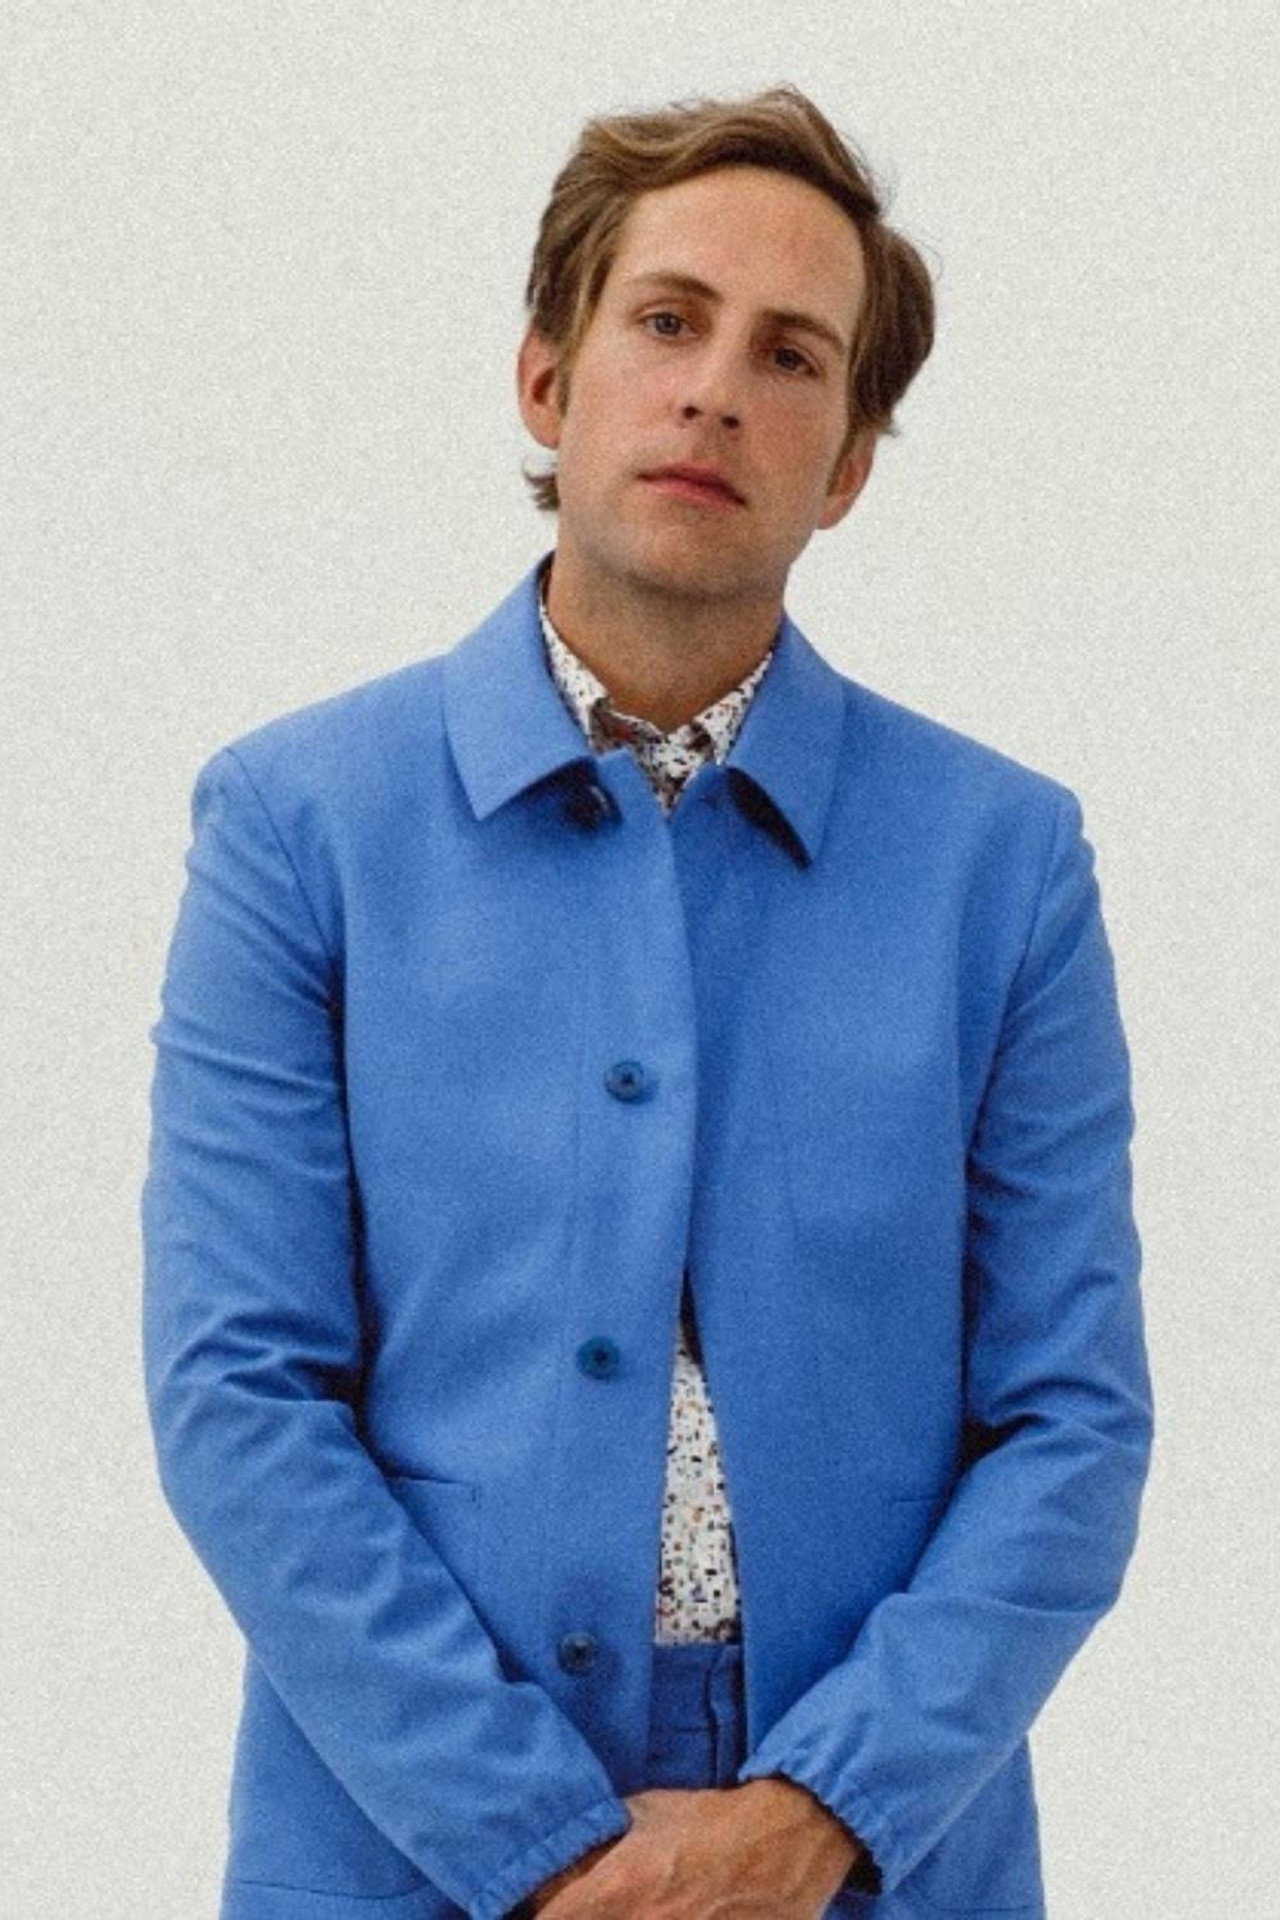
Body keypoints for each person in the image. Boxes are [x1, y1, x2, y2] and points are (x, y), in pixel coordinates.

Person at [141, 84, 1154, 1920]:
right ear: (550, 379)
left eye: (792, 356)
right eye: (669, 321)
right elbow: (240, 1394)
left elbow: (1071, 1423)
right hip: (395, 1836)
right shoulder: (301, 827)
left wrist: (818, 1814)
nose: (714, 393)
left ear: (847, 465)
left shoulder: (1001, 864)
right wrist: (535, 1841)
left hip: (877, 1851)